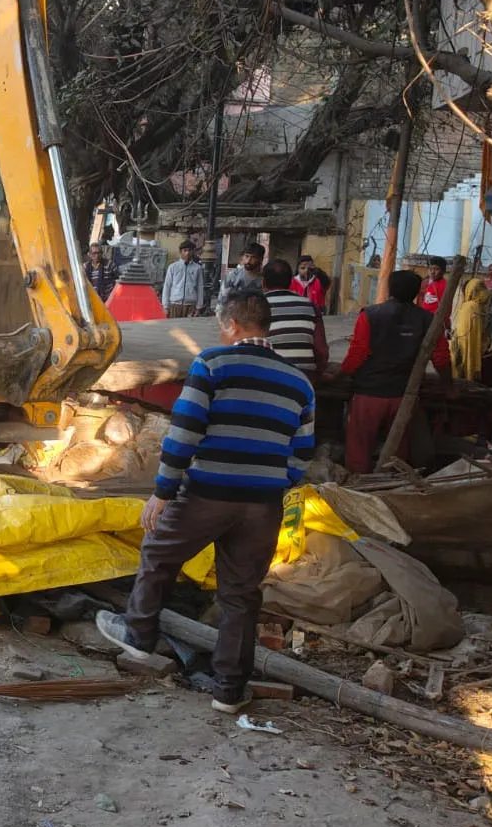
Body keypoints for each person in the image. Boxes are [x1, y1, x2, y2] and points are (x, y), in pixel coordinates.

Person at [95, 292, 315, 714]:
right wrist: (270, 483)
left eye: (221, 325)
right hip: (263, 504)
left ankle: (138, 635)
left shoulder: (212, 364)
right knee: (241, 594)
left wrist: (163, 491)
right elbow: (302, 451)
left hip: (207, 493)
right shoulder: (299, 382)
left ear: (232, 325)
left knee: (159, 554)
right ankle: (229, 690)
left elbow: (185, 432)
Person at [333, 270, 452, 475]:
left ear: (389, 289)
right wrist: (449, 386)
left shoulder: (370, 315)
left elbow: (357, 354)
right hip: (404, 396)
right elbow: (441, 358)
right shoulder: (428, 319)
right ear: (416, 292)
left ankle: (356, 484)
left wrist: (338, 376)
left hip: (369, 394)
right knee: (397, 450)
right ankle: (392, 483)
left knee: (359, 449)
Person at [262, 260, 329, 376]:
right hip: (304, 375)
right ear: (291, 281)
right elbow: (321, 351)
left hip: (268, 373)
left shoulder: (257, 305)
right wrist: (319, 373)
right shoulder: (310, 306)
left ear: (263, 283)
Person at [449, 276, 491, 383]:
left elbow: (462, 332)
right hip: (475, 346)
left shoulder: (468, 307)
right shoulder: (478, 306)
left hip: (463, 345)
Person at [160, 240, 203, 318]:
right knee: (174, 325)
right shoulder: (173, 267)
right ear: (180, 252)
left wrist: (198, 307)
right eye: (185, 250)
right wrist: (165, 306)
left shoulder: (197, 268)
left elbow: (200, 287)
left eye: (190, 250)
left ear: (193, 252)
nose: (187, 253)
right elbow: (167, 286)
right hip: (175, 305)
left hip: (191, 305)